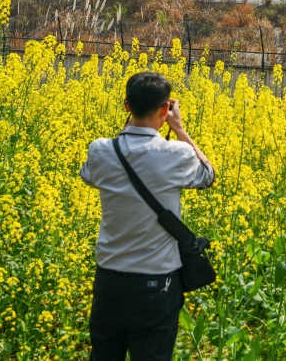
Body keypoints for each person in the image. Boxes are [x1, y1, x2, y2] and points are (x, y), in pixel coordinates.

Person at [80, 71, 215, 360]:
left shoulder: (100, 150)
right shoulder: (177, 154)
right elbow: (208, 175)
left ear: (126, 106)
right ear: (166, 109)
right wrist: (179, 129)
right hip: (157, 285)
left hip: (109, 283)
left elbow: (88, 176)